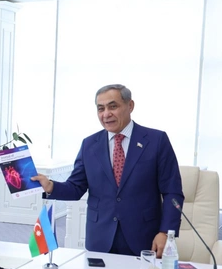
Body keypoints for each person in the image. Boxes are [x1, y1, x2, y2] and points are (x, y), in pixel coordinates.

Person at [31, 84, 184, 257]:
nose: (106, 114)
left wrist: (166, 232)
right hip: (100, 238)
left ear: (130, 105)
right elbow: (76, 187)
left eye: (113, 106)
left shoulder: (156, 141)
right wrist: (50, 186)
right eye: (100, 109)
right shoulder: (89, 144)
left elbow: (172, 192)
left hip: (144, 238)